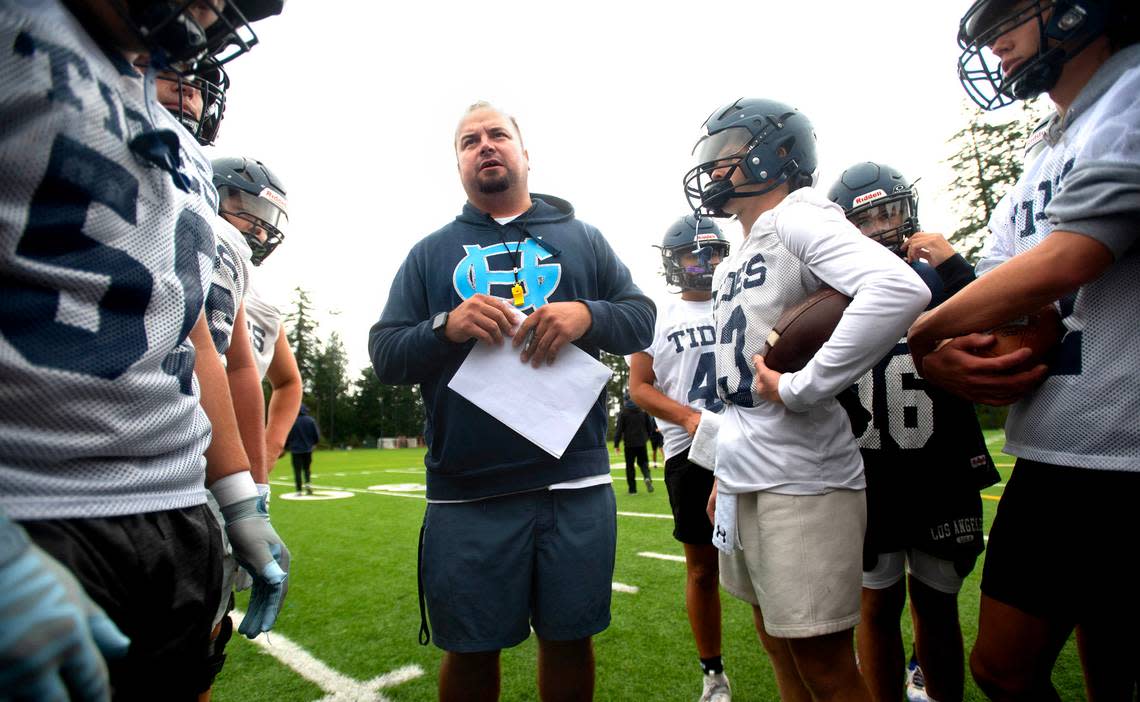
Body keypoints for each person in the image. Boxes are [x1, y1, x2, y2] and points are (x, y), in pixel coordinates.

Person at [0, 0, 288, 698]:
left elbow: (189, 334)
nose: (212, 9)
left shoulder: (177, 133)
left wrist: (238, 497)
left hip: (176, 507)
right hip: (37, 505)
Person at [369, 100, 655, 702]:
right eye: (469, 141)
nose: (485, 145)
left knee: (570, 640)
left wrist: (587, 314)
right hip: (467, 490)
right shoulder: (429, 253)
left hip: (572, 483)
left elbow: (641, 320)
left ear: (525, 153)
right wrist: (443, 326)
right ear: (459, 164)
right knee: (470, 651)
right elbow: (385, 353)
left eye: (498, 134)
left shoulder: (583, 238)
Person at [909, 2, 1140, 699]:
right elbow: (1003, 296)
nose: (997, 44)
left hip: (1127, 448)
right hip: (1054, 447)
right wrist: (957, 352)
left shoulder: (1130, 93)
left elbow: (1070, 259)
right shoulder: (1045, 146)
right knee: (1005, 667)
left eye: (1011, 17)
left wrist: (924, 336)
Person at [683, 97, 930, 702]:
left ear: (777, 152)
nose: (714, 172)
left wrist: (804, 384)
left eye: (727, 155)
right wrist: (725, 469)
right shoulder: (734, 255)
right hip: (751, 469)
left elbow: (898, 287)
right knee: (776, 638)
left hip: (804, 477)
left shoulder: (797, 215)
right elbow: (733, 376)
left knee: (822, 658)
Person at [828, 162, 1001, 702]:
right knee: (876, 607)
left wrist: (955, 268)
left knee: (937, 605)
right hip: (869, 471)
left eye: (890, 211)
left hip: (940, 466)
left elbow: (998, 329)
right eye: (867, 218)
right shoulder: (829, 292)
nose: (882, 226)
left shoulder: (939, 278)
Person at [628, 214, 732, 702]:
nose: (705, 262)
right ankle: (712, 672)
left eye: (712, 252)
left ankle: (798, 651)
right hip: (691, 450)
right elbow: (639, 388)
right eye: (695, 253)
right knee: (700, 567)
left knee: (765, 560)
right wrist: (690, 419)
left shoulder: (746, 300)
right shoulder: (657, 316)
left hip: (754, 438)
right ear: (674, 261)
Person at [212, 155, 300, 480]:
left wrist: (269, 446)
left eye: (266, 218)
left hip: (238, 476)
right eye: (249, 210)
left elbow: (289, 382)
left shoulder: (264, 307)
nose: (260, 229)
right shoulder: (185, 269)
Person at [614, 391, 656, 494]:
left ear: (626, 400)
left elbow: (619, 429)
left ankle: (632, 489)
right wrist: (647, 438)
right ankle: (647, 477)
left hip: (629, 444)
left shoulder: (623, 413)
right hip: (641, 442)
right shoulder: (643, 411)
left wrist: (616, 444)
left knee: (630, 466)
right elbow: (650, 427)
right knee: (643, 463)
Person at [286, 405, 321, 495]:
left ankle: (298, 490)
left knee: (297, 470)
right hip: (308, 449)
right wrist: (314, 443)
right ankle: (308, 483)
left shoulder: (292, 421)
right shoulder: (310, 420)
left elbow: (288, 436)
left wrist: (286, 446)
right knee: (307, 468)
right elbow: (316, 435)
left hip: (295, 450)